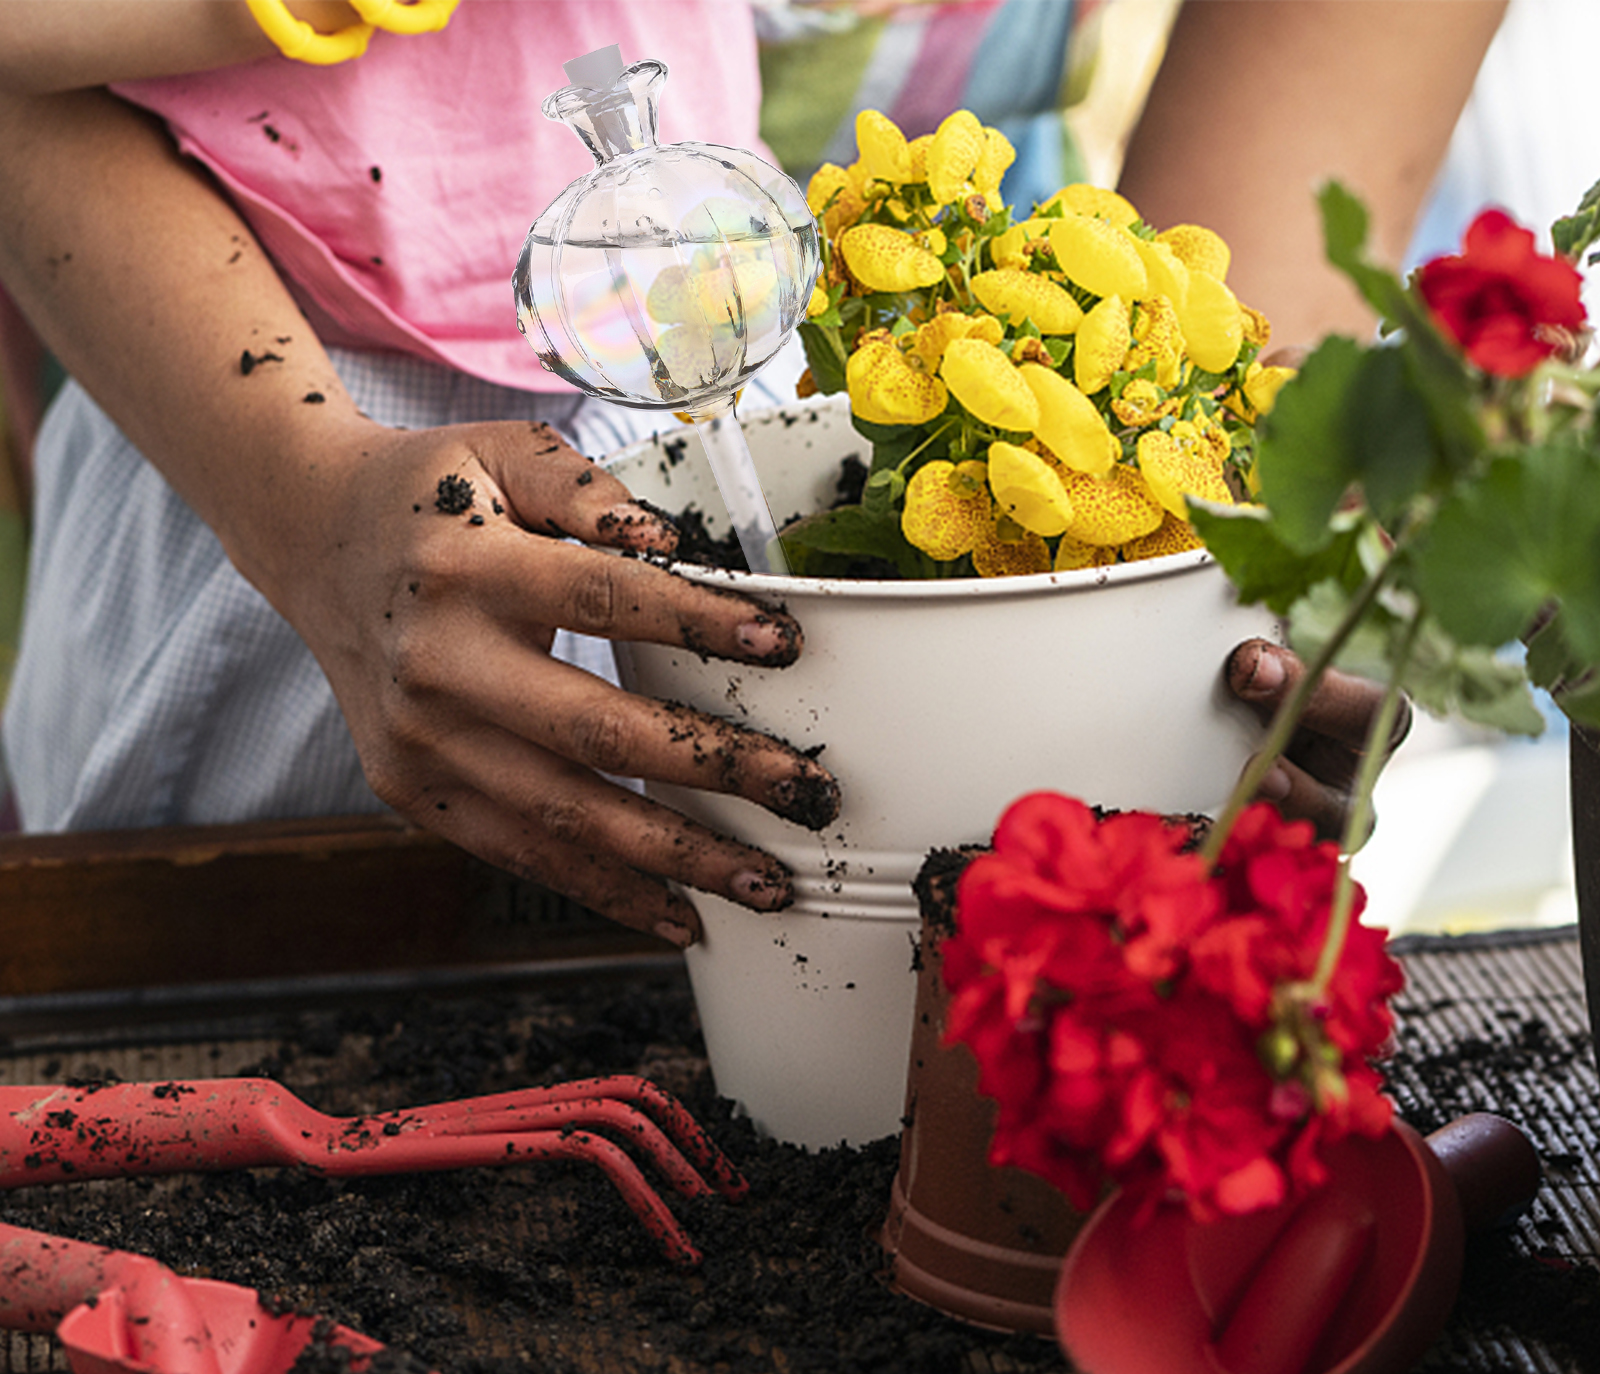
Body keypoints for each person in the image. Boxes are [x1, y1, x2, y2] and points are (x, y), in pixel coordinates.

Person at [0, 0, 1504, 950]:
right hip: (248, 380)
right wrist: (291, 485)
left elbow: (1218, 345)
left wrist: (1174, 614)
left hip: (852, 360)